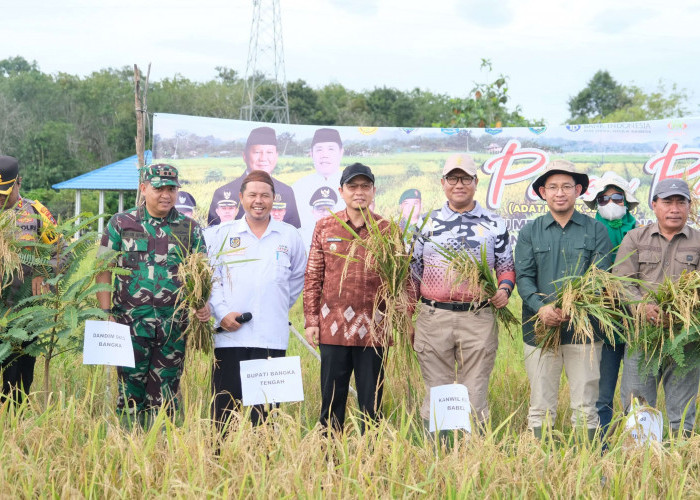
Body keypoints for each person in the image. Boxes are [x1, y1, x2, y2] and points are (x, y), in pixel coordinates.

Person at [96, 164, 210, 425]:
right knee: (129, 389)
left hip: (173, 326)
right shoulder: (121, 223)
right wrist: (105, 314)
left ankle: (163, 449)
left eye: (172, 189)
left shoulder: (189, 228)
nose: (166, 195)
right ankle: (129, 445)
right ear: (144, 188)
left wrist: (201, 304)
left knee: (166, 392)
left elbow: (201, 273)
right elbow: (102, 270)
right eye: (159, 188)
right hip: (129, 324)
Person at [410, 154, 514, 432]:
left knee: (475, 391)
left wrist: (505, 290)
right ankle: (437, 453)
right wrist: (408, 317)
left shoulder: (494, 223)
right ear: (442, 183)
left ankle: (474, 456)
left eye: (465, 178)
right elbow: (413, 273)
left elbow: (506, 267)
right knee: (436, 390)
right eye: (453, 178)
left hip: (477, 318)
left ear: (475, 182)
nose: (459, 184)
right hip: (433, 318)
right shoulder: (425, 223)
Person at [515, 159, 613, 439]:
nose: (560, 193)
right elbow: (524, 278)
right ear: (543, 192)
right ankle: (540, 464)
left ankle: (587, 463)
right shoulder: (529, 232)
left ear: (578, 190)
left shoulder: (596, 230)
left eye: (567, 186)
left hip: (584, 331)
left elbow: (600, 276)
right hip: (539, 330)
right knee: (541, 404)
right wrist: (541, 307)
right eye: (553, 187)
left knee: (585, 404)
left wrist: (573, 308)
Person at [207, 170, 306, 429]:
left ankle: (264, 465)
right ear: (241, 198)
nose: (258, 200)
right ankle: (219, 464)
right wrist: (222, 313)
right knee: (224, 413)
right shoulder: (223, 234)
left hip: (271, 337)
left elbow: (297, 279)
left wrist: (276, 306)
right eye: (252, 195)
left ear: (274, 199)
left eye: (265, 195)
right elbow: (211, 277)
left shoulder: (289, 236)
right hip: (230, 336)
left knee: (265, 417)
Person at [303, 163, 387, 433]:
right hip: (332, 329)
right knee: (331, 402)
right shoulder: (325, 226)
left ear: (374, 191)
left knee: (371, 403)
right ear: (341, 191)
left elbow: (400, 281)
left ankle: (371, 459)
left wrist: (400, 319)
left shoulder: (387, 230)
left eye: (365, 186)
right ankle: (329, 458)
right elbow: (313, 276)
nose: (359, 192)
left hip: (373, 331)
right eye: (353, 186)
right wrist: (311, 320)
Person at [615, 178, 700, 438]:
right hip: (643, 338)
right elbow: (621, 282)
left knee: (682, 410)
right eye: (667, 202)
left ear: (688, 206)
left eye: (680, 202)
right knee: (637, 407)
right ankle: (638, 465)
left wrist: (684, 311)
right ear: (654, 205)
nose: (674, 209)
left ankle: (678, 462)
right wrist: (642, 307)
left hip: (684, 339)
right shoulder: (635, 238)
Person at [582, 172, 639, 433]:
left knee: (637, 390)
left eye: (617, 197)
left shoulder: (642, 235)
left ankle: (638, 445)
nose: (610, 203)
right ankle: (602, 447)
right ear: (596, 204)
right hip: (602, 324)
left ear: (626, 202)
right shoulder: (587, 234)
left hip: (639, 322)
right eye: (603, 199)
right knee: (602, 392)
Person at [0, 155, 57, 404]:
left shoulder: (36, 212)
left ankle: (16, 419)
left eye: (5, 192)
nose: (0, 198)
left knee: (20, 374)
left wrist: (45, 274)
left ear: (18, 183)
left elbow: (60, 251)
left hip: (26, 310)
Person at [208, 127, 300, 228]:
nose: (263, 158)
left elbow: (294, 232)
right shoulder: (223, 193)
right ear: (244, 156)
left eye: (269, 152)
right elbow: (213, 236)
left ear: (276, 156)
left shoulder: (286, 192)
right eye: (257, 152)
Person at [293, 128, 346, 248]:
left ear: (341, 152)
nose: (324, 155)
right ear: (311, 153)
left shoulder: (352, 185)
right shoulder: (298, 187)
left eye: (331, 149)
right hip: (307, 253)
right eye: (319, 150)